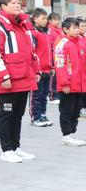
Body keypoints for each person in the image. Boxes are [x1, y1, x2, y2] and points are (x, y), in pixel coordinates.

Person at [0, 0, 39, 163]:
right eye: (13, 3)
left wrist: (36, 71)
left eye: (19, 2)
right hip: (9, 79)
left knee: (18, 114)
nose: (18, 5)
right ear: (3, 7)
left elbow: (31, 51)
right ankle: (6, 149)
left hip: (24, 78)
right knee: (6, 113)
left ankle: (16, 147)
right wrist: (4, 76)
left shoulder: (23, 25)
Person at [54, 18, 86, 146]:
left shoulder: (81, 43)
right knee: (67, 110)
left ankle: (72, 133)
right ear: (66, 29)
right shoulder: (62, 44)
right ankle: (66, 135)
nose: (77, 30)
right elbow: (60, 65)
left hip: (80, 84)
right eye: (74, 28)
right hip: (68, 85)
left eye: (78, 27)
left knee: (76, 110)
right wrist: (65, 84)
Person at [30, 8, 54, 127]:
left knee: (44, 95)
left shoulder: (47, 33)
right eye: (43, 18)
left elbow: (51, 51)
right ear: (35, 19)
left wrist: (52, 66)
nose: (45, 21)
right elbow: (32, 52)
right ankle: (35, 117)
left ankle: (43, 114)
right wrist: (35, 70)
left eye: (46, 18)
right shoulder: (33, 33)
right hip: (37, 71)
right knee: (36, 95)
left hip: (48, 70)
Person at [48, 12, 62, 105]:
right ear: (50, 21)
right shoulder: (50, 31)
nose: (57, 22)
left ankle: (56, 94)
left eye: (58, 20)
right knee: (53, 76)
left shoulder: (59, 30)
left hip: (59, 56)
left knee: (58, 76)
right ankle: (52, 95)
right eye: (54, 20)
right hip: (53, 55)